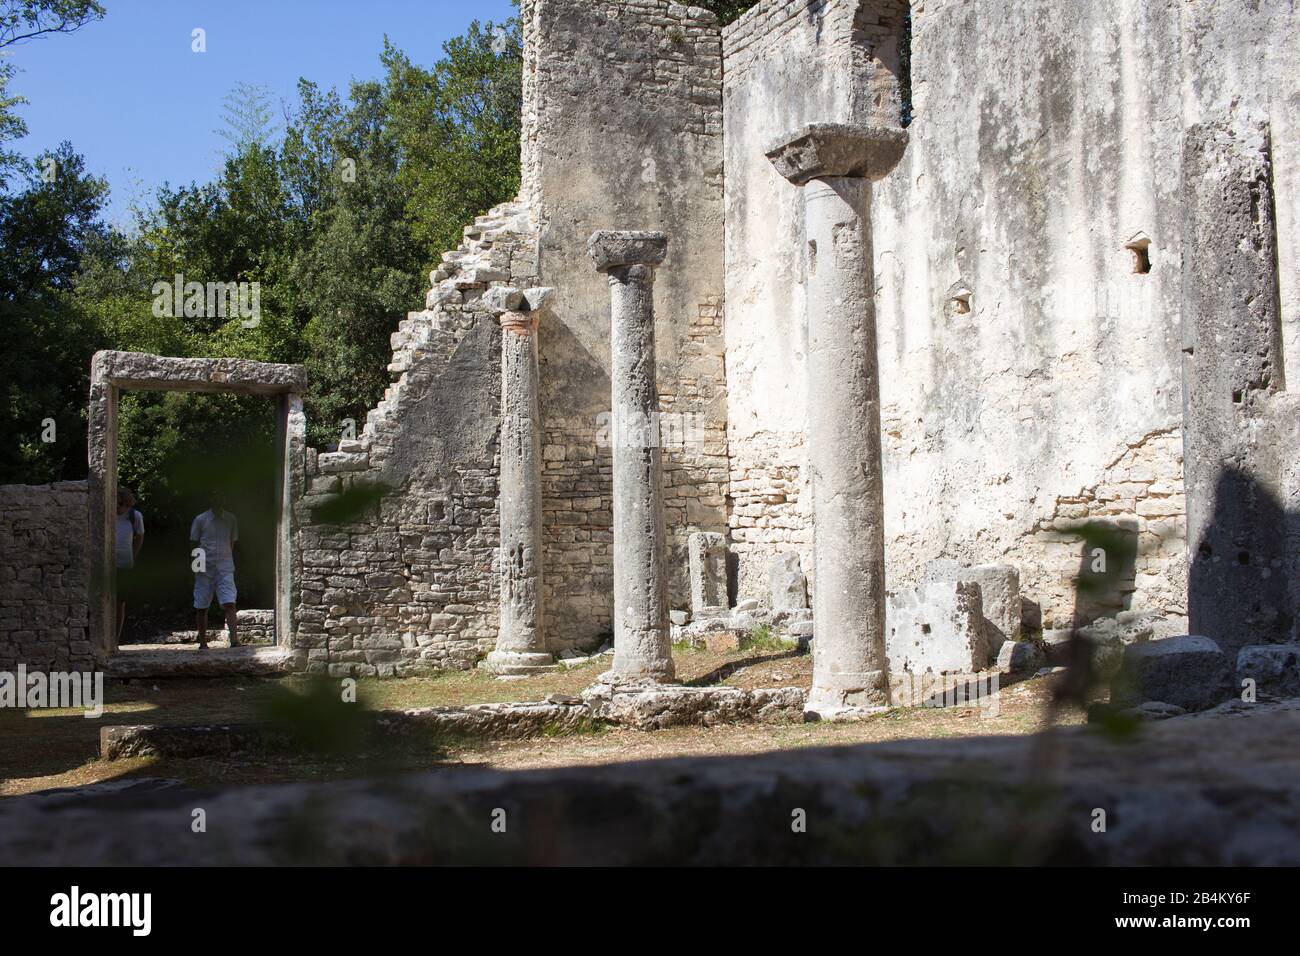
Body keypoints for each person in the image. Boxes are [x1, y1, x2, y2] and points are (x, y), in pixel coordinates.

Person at [190, 489, 240, 649]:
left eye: (221, 496)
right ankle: (203, 643)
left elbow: (232, 541)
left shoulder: (231, 519)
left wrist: (226, 559)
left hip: (224, 567)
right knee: (202, 605)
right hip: (204, 567)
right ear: (210, 500)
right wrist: (197, 566)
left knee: (230, 602)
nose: (218, 500)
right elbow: (194, 542)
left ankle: (234, 640)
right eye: (215, 496)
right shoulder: (201, 520)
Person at [115, 486, 144, 642]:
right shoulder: (106, 514)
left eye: (121, 504)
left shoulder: (135, 516)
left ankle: (115, 639)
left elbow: (140, 537)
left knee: (120, 603)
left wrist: (133, 554)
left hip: (125, 565)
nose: (119, 507)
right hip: (108, 565)